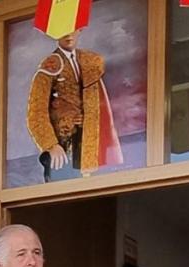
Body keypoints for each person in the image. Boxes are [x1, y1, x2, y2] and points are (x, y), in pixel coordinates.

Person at [26, 28, 122, 182]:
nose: (68, 35)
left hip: (86, 138)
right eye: (63, 30)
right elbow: (36, 112)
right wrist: (52, 145)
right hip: (63, 142)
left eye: (73, 29)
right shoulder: (50, 64)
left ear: (80, 30)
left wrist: (88, 118)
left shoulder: (88, 60)